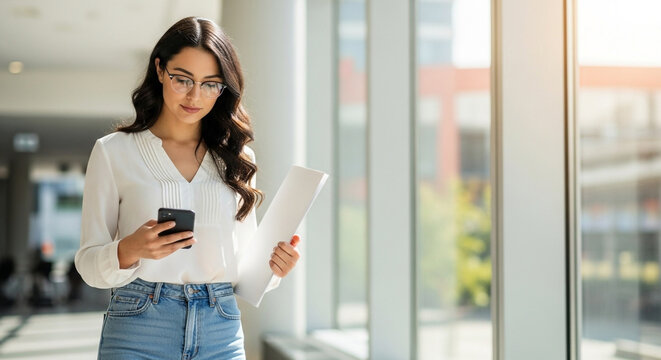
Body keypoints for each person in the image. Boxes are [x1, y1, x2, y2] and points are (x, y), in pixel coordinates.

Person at [74, 16, 301, 359]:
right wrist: (130, 249)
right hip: (139, 323)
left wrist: (274, 269)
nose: (196, 95)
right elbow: (89, 262)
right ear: (161, 70)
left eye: (211, 84)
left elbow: (244, 267)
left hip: (220, 326)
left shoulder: (237, 158)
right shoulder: (113, 152)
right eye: (183, 79)